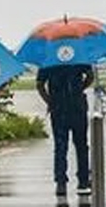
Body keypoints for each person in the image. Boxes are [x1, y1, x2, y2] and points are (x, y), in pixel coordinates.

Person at [36, 63, 95, 195]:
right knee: (81, 146)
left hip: (58, 108)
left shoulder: (49, 60)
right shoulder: (79, 56)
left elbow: (39, 85)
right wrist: (79, 88)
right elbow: (90, 76)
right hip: (77, 107)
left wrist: (49, 100)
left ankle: (61, 181)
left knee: (60, 146)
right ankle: (83, 180)